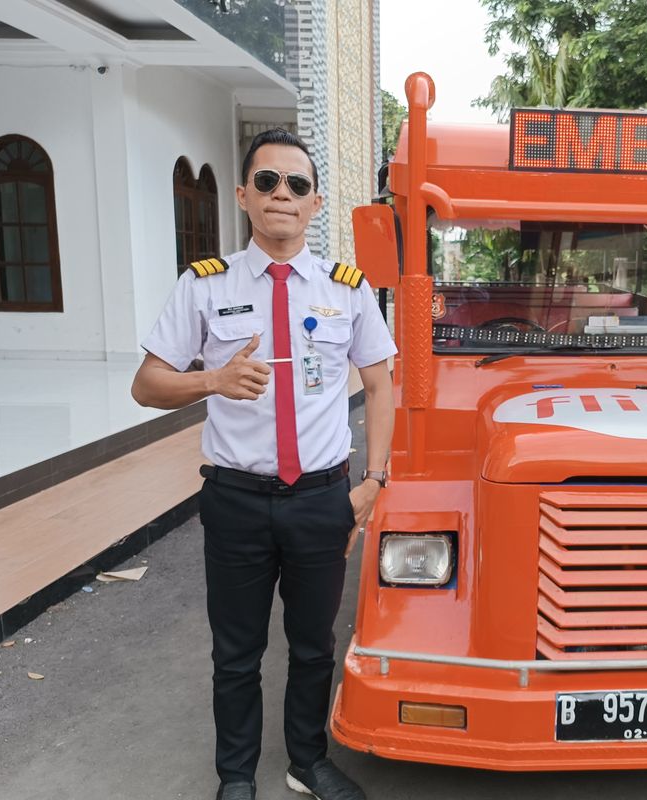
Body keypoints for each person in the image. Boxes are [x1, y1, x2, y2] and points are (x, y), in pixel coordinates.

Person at [131, 128, 395, 800]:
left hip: (320, 499)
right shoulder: (204, 286)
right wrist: (211, 381)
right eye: (269, 182)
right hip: (236, 500)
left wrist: (373, 482)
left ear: (316, 203)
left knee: (314, 646)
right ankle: (235, 776)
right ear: (245, 195)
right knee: (237, 653)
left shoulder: (348, 288)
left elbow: (382, 381)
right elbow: (148, 383)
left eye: (298, 185)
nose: (284, 195)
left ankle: (306, 761)